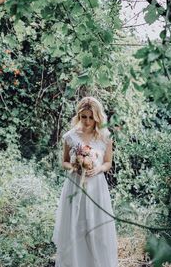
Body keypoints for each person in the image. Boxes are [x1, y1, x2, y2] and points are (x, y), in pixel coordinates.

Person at [53, 96, 118, 267]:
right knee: (75, 226)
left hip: (97, 187)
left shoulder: (105, 136)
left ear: (97, 117)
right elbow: (64, 162)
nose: (87, 121)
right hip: (75, 185)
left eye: (91, 117)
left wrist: (98, 169)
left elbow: (108, 163)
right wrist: (74, 167)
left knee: (96, 228)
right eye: (84, 117)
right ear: (79, 115)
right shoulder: (70, 136)